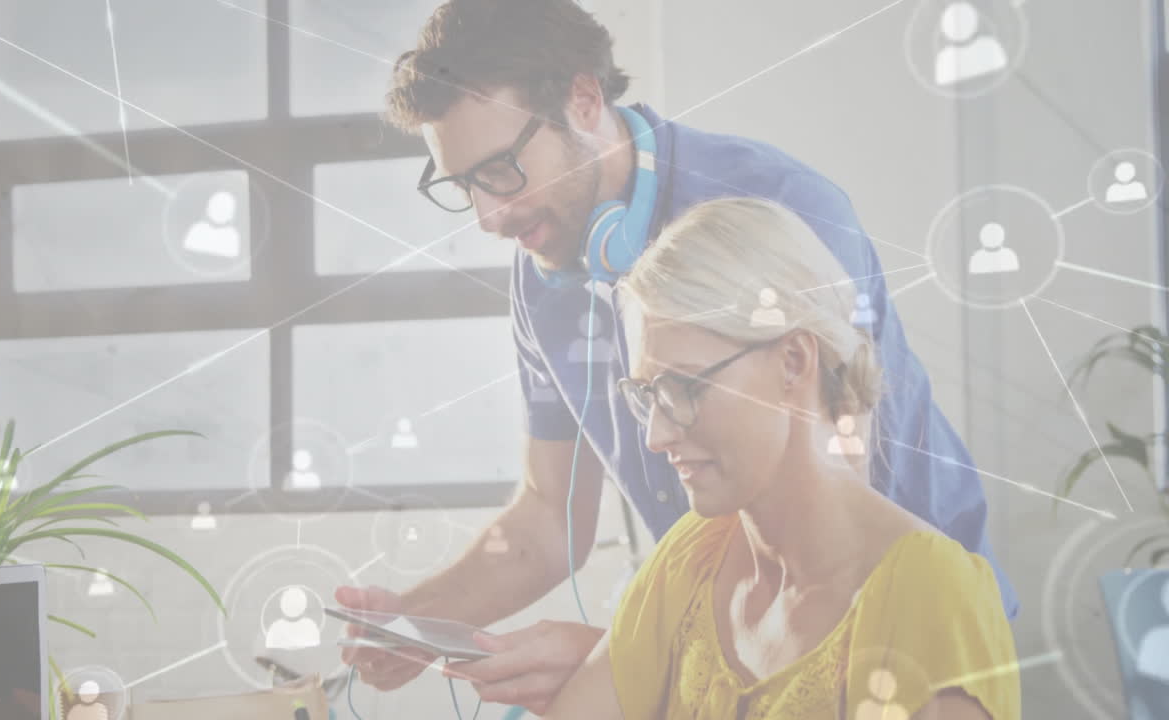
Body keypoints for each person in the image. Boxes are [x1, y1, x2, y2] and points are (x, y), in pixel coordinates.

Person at [336, 0, 1017, 712]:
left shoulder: (778, 208)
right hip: (719, 626)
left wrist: (631, 652)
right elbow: (548, 513)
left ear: (584, 98)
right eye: (464, 184)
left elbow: (821, 498)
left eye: (502, 170)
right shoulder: (547, 280)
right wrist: (409, 625)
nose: (489, 215)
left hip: (883, 628)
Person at [528, 197, 1019, 719]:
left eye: (684, 387)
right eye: (648, 394)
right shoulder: (690, 560)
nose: (656, 435)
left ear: (793, 362)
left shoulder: (929, 595)